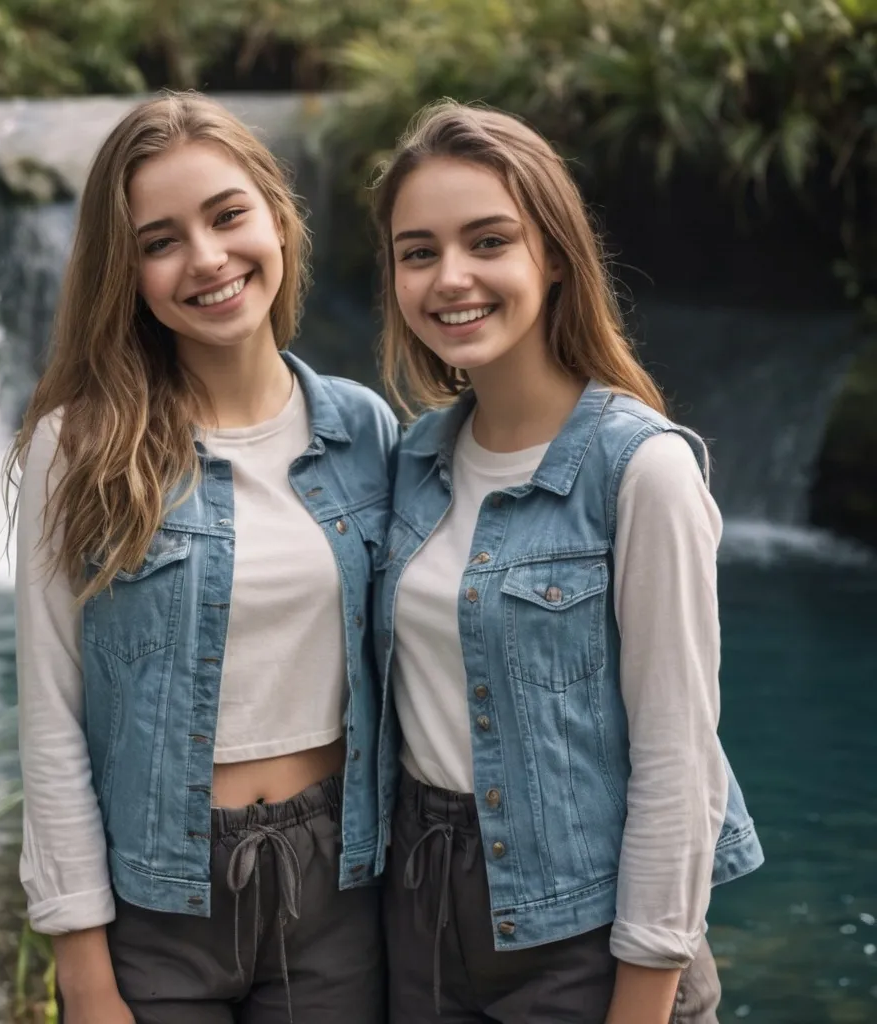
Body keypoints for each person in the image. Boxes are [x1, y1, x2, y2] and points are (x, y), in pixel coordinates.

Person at [369, 100, 764, 1024]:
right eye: (418, 251)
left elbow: (679, 764)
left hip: (586, 939)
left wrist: (643, 994)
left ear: (551, 253)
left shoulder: (644, 470)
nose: (450, 277)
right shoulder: (412, 463)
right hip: (419, 922)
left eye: (488, 241)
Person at [6, 91, 396, 1024]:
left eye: (228, 216)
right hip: (157, 901)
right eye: (162, 240)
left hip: (339, 889)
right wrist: (82, 968)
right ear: (128, 272)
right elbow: (51, 717)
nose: (209, 259)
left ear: (277, 216)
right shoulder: (81, 447)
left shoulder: (366, 431)